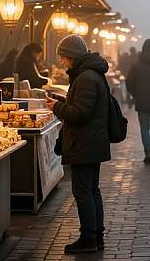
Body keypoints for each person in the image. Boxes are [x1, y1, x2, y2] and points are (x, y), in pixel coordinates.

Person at [46, 35, 110, 255]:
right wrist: (62, 101)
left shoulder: (85, 78)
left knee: (83, 191)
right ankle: (96, 235)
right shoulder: (90, 75)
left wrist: (57, 107)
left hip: (85, 143)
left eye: (63, 58)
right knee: (92, 190)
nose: (62, 62)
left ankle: (88, 238)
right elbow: (83, 107)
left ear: (72, 57)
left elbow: (80, 114)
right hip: (92, 142)